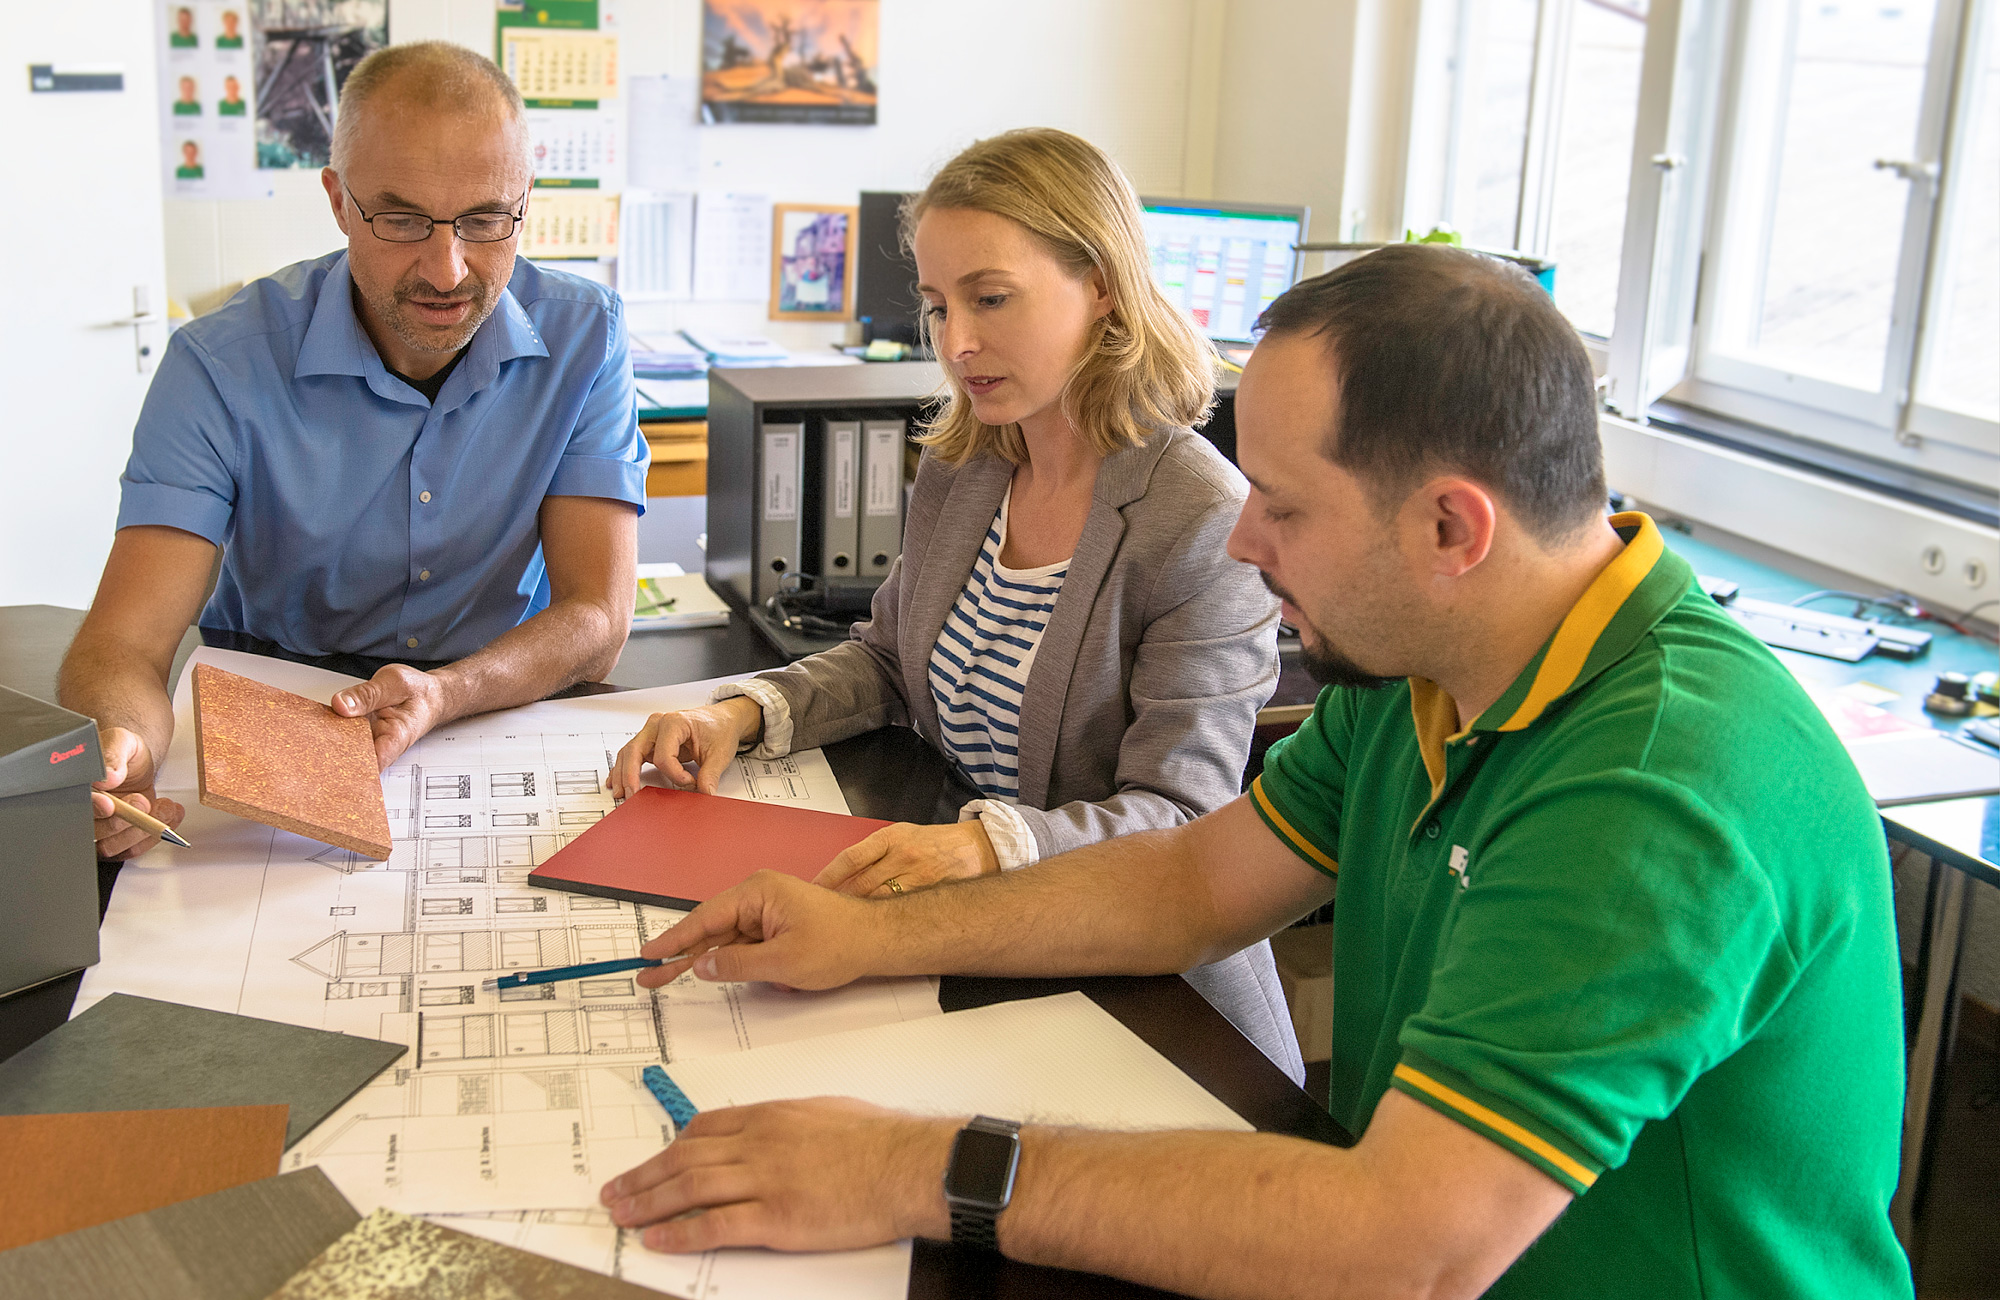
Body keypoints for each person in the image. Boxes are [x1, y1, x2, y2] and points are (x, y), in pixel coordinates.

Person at [597, 245, 1912, 1299]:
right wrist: (864, 933)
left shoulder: (1653, 789)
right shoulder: (1432, 671)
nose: (1241, 540)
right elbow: (1186, 886)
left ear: (1453, 527)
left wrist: (905, 1167)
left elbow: (1407, 1248)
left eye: (1282, 502)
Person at [609, 128, 1300, 1081]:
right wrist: (739, 711)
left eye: (991, 297)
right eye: (937, 306)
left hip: (1147, 997)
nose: (957, 343)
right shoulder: (969, 461)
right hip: (973, 944)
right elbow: (891, 660)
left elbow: (1184, 821)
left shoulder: (1197, 521)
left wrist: (986, 846)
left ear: (1101, 284)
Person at [61, 40, 645, 861]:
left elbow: (596, 617)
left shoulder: (588, 336)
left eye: (484, 221)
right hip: (277, 713)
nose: (448, 269)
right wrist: (123, 747)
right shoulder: (219, 365)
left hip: (495, 704)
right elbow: (127, 643)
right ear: (338, 201)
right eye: (401, 219)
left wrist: (445, 694)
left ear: (525, 204)